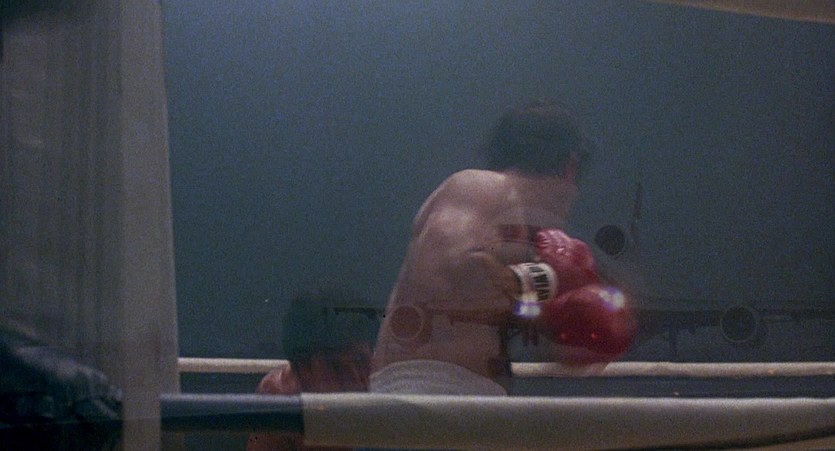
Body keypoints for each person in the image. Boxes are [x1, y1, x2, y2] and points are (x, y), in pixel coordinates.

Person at [370, 99, 636, 396]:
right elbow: (443, 273)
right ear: (570, 167)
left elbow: (490, 306)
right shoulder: (482, 187)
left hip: (462, 395)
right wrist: (549, 281)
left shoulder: (517, 235)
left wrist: (570, 323)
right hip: (430, 391)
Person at [247, 291, 379, 451]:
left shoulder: (391, 389)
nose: (356, 378)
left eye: (361, 361)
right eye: (337, 368)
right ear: (303, 369)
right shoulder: (278, 398)